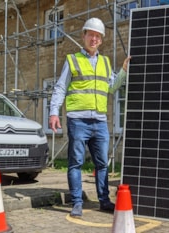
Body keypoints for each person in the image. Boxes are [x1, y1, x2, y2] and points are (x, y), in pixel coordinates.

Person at [49, 17, 131, 218]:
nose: (94, 38)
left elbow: (111, 87)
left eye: (97, 36)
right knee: (75, 162)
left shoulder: (104, 62)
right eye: (91, 34)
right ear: (84, 36)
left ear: (101, 40)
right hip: (78, 121)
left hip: (100, 122)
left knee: (102, 164)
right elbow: (60, 87)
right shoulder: (73, 60)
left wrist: (123, 72)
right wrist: (53, 112)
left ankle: (103, 201)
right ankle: (77, 202)